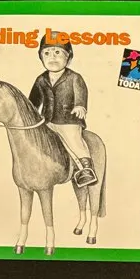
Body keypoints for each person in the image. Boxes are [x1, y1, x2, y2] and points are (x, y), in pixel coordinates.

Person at [29, 35, 98, 187]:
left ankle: (86, 168)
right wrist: (31, 114)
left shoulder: (74, 78)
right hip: (47, 119)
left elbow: (81, 92)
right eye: (47, 53)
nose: (52, 57)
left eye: (57, 52)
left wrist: (80, 106)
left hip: (69, 119)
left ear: (69, 57)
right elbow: (33, 101)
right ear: (41, 57)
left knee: (73, 138)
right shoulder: (41, 80)